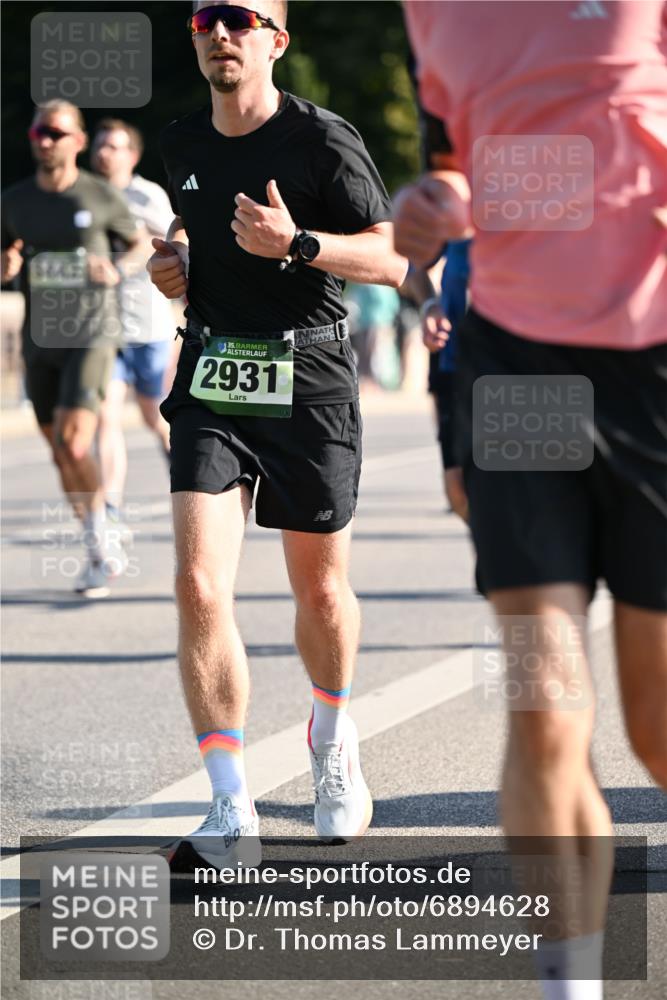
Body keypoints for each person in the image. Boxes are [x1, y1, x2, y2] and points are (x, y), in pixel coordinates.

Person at [396, 3, 667, 999]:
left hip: (655, 366)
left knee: (654, 719)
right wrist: (436, 204)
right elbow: (457, 155)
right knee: (542, 697)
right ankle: (571, 982)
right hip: (513, 365)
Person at [147, 0, 407, 865]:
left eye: (237, 17)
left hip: (310, 379)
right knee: (194, 582)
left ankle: (331, 740)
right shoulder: (180, 139)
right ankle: (230, 810)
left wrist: (296, 245)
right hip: (214, 373)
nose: (217, 32)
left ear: (274, 41)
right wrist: (171, 263)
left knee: (321, 593)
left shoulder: (322, 139)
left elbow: (390, 259)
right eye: (202, 20)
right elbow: (188, 238)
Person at [1, 101, 140, 598]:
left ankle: (102, 544)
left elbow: (139, 244)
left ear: (77, 141)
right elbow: (5, 251)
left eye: (56, 132)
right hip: (42, 340)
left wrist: (119, 269)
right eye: (39, 130)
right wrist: (7, 265)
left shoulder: (99, 195)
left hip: (92, 332)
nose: (44, 139)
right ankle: (97, 534)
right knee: (59, 452)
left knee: (75, 442)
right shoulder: (14, 201)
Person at [91, 119, 175, 525]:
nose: (104, 153)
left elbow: (176, 243)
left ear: (132, 155)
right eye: (100, 145)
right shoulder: (84, 196)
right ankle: (110, 511)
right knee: (105, 418)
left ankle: (189, 487)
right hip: (102, 331)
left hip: (148, 326)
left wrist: (125, 264)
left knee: (155, 419)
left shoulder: (147, 196)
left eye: (114, 146)